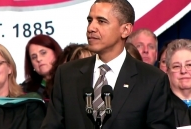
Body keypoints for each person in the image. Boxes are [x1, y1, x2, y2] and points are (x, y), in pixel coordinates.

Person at [41, 0, 175, 129]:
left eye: (101, 21)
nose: (91, 28)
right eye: (90, 20)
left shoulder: (152, 80)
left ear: (125, 30)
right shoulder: (67, 74)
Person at [21, 34, 62, 102]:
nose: (39, 59)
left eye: (43, 53)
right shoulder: (25, 91)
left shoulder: (68, 82)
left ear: (55, 53)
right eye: (34, 57)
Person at [166, 39, 191, 127]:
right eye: (176, 66)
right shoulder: (159, 107)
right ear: (167, 71)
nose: (183, 71)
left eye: (189, 65)